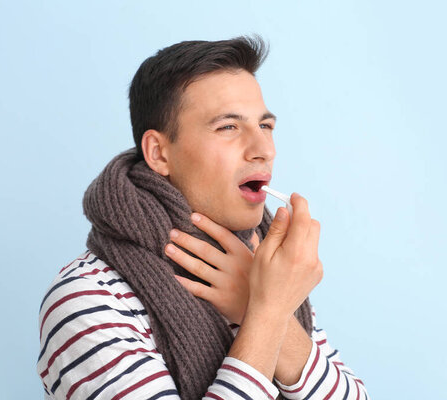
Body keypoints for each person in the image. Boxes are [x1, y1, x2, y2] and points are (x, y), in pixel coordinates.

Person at [37, 36, 370, 400]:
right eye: (228, 127)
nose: (264, 150)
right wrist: (267, 312)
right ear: (159, 153)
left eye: (265, 126)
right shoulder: (87, 298)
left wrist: (256, 303)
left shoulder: (259, 269)